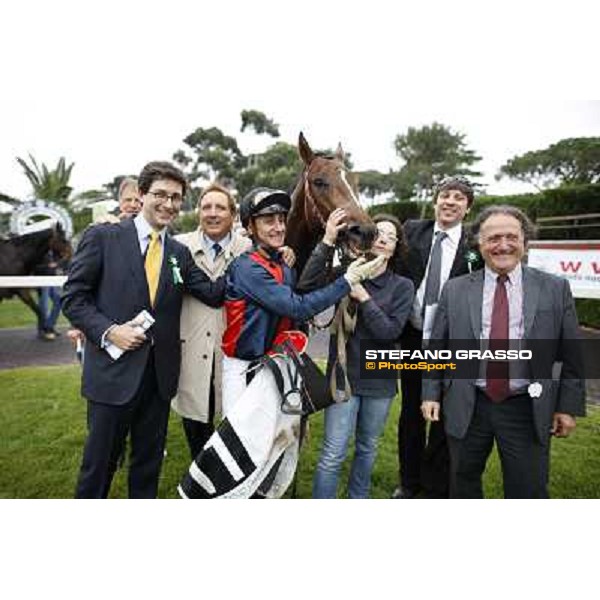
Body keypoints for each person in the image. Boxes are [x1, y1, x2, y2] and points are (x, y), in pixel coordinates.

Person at [62, 161, 226, 499]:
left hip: (159, 379)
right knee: (99, 467)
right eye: (161, 195)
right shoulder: (103, 236)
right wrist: (109, 331)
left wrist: (259, 256)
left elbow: (213, 293)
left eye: (176, 197)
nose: (169, 204)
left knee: (147, 467)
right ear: (141, 193)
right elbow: (74, 298)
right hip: (111, 377)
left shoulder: (179, 253)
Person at [421, 205, 586, 498]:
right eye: (494, 238)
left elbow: (572, 353)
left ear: (525, 241)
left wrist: (568, 406)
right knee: (462, 484)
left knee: (528, 490)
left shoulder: (555, 288)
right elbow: (438, 347)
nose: (503, 245)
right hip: (468, 402)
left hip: (526, 406)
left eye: (512, 237)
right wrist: (431, 393)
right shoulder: (455, 290)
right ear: (480, 243)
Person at [220, 187, 384, 415]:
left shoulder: (280, 261)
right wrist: (348, 280)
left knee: (282, 444)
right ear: (249, 227)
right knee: (244, 448)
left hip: (278, 363)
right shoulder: (247, 268)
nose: (278, 228)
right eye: (269, 221)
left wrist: (327, 242)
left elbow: (302, 290)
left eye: (281, 220)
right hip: (246, 369)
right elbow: (299, 307)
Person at [298, 211, 414, 498]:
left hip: (380, 379)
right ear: (368, 238)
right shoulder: (344, 276)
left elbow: (389, 333)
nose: (384, 239)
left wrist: (363, 297)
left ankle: (357, 499)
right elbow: (305, 287)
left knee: (367, 447)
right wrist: (326, 240)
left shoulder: (403, 286)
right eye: (379, 233)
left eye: (391, 236)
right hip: (343, 377)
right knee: (333, 452)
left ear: (396, 246)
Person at [394, 176, 477, 499]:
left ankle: (433, 486)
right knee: (412, 412)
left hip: (453, 342)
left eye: (458, 198)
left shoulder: (474, 245)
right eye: (445, 195)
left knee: (445, 416)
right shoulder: (413, 230)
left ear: (467, 208)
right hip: (414, 336)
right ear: (435, 201)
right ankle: (409, 482)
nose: (450, 202)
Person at [171, 182, 251, 459]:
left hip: (236, 356)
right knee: (196, 429)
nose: (213, 213)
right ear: (198, 213)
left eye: (220, 207)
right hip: (190, 354)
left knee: (239, 429)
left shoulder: (251, 250)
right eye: (206, 207)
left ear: (233, 214)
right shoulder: (177, 247)